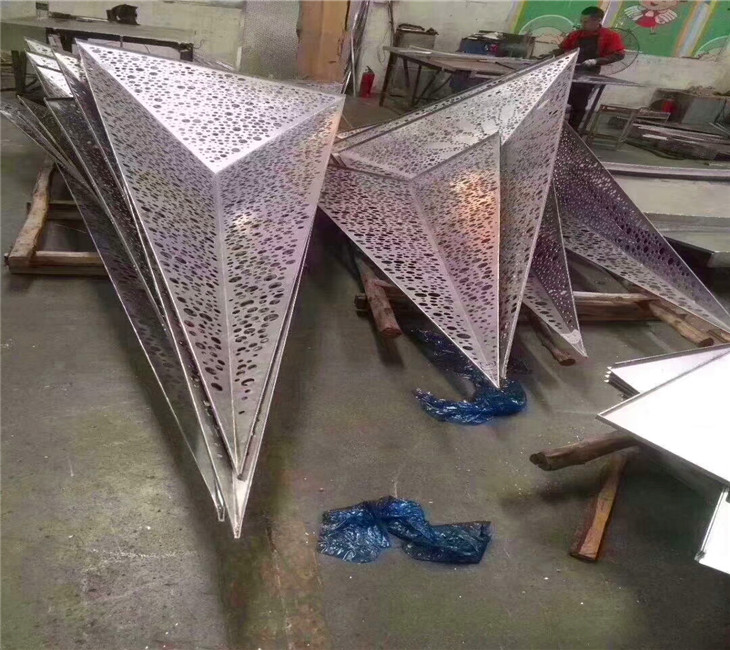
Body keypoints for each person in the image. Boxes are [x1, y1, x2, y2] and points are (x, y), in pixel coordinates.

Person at [556, 6, 625, 129]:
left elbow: (618, 54)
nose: (582, 24)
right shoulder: (575, 35)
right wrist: (550, 57)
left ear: (597, 20)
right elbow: (562, 50)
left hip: (588, 75)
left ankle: (572, 131)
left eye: (585, 21)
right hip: (568, 72)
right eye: (582, 21)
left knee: (579, 105)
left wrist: (596, 61)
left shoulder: (610, 36)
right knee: (557, 100)